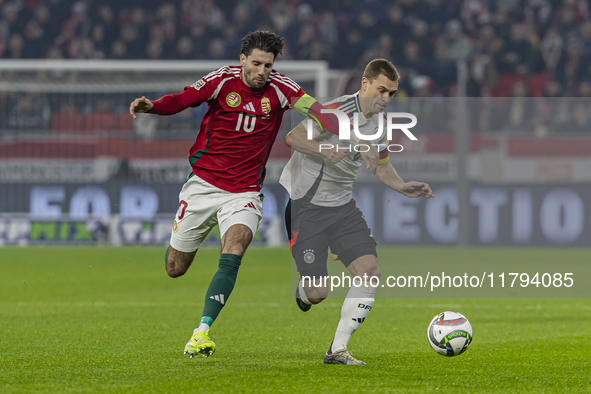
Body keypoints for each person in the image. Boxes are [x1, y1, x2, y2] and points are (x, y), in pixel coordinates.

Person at [128, 30, 370, 358]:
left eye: (267, 66)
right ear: (242, 60)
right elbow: (183, 99)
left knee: (236, 244)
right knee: (175, 267)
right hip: (202, 186)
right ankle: (188, 260)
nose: (261, 71)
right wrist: (152, 107)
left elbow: (317, 110)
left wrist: (349, 129)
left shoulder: (282, 89)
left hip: (244, 191)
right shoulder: (221, 81)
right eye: (256, 64)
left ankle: (201, 331)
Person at [280, 58, 434, 365]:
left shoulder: (381, 126)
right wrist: (326, 149)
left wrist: (403, 187)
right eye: (380, 90)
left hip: (342, 208)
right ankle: (304, 288)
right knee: (317, 293)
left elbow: (382, 166)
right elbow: (293, 138)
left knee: (370, 272)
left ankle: (337, 350)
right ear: (364, 84)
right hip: (306, 206)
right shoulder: (334, 112)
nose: (385, 99)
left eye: (391, 93)